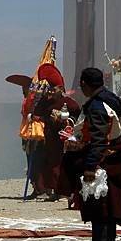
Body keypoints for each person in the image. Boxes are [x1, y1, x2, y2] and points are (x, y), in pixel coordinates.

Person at [70, 67, 121, 241]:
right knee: (107, 212)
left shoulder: (97, 106)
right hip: (111, 162)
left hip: (101, 166)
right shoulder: (111, 99)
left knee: (101, 213)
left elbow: (98, 139)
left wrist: (89, 166)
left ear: (86, 84)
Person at [33, 64, 81, 201]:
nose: (51, 92)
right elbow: (37, 114)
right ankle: (52, 189)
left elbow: (77, 117)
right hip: (49, 138)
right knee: (49, 164)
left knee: (61, 164)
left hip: (63, 139)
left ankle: (63, 191)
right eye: (50, 89)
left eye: (53, 89)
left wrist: (65, 119)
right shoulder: (46, 102)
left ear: (60, 89)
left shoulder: (69, 103)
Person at [5, 74, 46, 199]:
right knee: (31, 160)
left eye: (25, 89)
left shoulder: (35, 101)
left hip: (34, 132)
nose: (23, 91)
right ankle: (36, 187)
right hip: (27, 131)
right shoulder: (27, 100)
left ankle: (40, 187)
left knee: (36, 160)